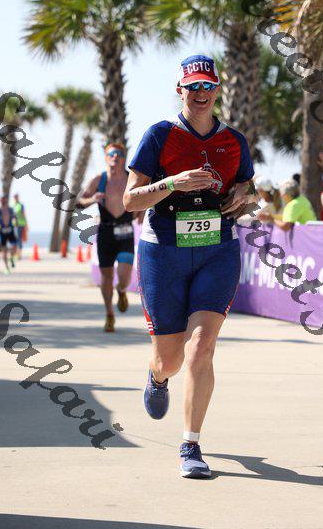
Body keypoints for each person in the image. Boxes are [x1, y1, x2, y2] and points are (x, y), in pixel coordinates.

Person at [123, 54, 254, 479]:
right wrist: (171, 183)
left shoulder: (234, 141)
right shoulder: (160, 135)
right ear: (180, 90)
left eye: (207, 86)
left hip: (217, 249)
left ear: (217, 90)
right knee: (170, 359)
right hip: (164, 252)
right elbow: (129, 200)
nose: (200, 93)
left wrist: (245, 196)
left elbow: (248, 187)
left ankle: (191, 444)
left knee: (202, 345)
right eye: (193, 86)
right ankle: (157, 377)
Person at [78, 143, 139, 333]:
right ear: (106, 157)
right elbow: (79, 202)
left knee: (124, 276)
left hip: (125, 232)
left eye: (118, 154)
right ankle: (109, 314)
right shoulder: (99, 180)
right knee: (106, 276)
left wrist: (142, 211)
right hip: (105, 233)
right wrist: (92, 199)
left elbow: (144, 197)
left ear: (123, 158)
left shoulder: (131, 179)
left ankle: (121, 290)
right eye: (111, 154)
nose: (115, 157)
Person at [0, 196, 17, 274]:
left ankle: (11, 257)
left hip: (10, 231)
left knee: (14, 247)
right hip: (2, 233)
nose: (3, 202)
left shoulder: (10, 210)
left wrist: (14, 223)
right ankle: (6, 268)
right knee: (4, 250)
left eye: (4, 200)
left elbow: (15, 218)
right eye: (2, 200)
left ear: (6, 201)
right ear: (0, 201)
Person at [12, 194, 28, 258]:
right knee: (15, 239)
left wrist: (26, 224)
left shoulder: (20, 205)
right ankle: (16, 253)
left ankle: (19, 254)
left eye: (16, 197)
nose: (15, 199)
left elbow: (23, 214)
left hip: (20, 224)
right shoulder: (13, 206)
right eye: (15, 197)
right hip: (14, 225)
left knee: (19, 239)